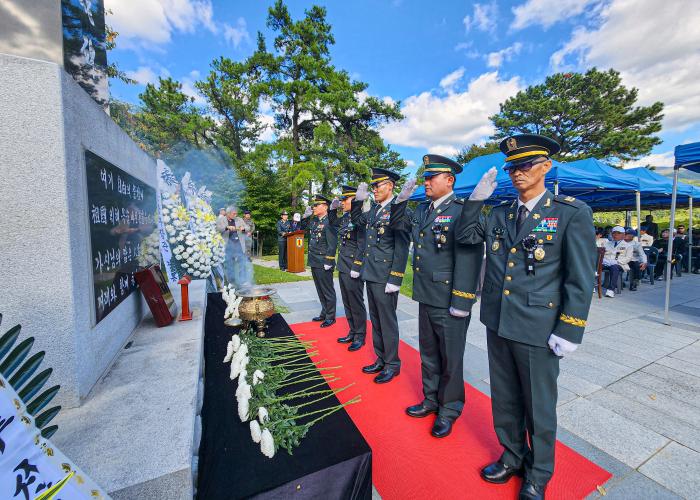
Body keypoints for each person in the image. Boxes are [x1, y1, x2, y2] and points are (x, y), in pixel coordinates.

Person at [456, 134, 596, 500]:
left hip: (538, 325)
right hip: (499, 320)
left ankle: (539, 472)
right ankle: (513, 455)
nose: (517, 172)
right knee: (504, 398)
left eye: (525, 165)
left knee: (538, 405)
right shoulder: (500, 212)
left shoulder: (569, 212)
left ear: (546, 167)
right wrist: (475, 202)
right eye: (511, 167)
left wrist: (570, 328)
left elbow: (580, 278)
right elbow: (466, 235)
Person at [390, 155, 482, 439]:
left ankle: (450, 409)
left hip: (450, 297)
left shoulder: (461, 210)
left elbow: (470, 256)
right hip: (427, 293)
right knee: (429, 353)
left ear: (450, 180)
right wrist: (400, 201)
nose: (426, 182)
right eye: (426, 177)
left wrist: (463, 300)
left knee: (451, 359)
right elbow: (398, 226)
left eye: (432, 177)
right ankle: (431, 399)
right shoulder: (422, 210)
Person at [352, 168, 410, 384]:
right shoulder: (375, 210)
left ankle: (392, 363)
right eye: (373, 186)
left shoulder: (398, 210)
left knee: (387, 321)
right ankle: (381, 358)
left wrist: (395, 278)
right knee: (375, 319)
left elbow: (401, 248)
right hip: (371, 272)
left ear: (391, 186)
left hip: (385, 276)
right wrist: (358, 201)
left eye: (378, 185)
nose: (374, 189)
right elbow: (357, 221)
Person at [329, 186, 367, 352]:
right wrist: (332, 210)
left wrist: (357, 265)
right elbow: (332, 222)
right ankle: (352, 331)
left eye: (346, 200)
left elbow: (362, 244)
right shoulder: (345, 218)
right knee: (347, 301)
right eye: (342, 200)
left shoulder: (361, 218)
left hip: (353, 266)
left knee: (356, 302)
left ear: (355, 199)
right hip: (343, 265)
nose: (343, 203)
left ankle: (360, 335)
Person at [299, 195, 338, 327]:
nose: (314, 207)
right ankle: (324, 312)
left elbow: (332, 244)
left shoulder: (330, 221)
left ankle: (330, 316)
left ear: (325, 207)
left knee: (327, 289)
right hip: (314, 259)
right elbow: (302, 229)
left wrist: (329, 260)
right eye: (314, 205)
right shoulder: (315, 221)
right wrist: (305, 217)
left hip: (324, 261)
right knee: (320, 289)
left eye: (317, 205)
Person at [220, 206, 248, 287]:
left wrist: (243, 228)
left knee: (242, 262)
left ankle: (243, 281)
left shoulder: (239, 219)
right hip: (228, 245)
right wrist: (226, 227)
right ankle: (231, 282)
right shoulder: (222, 219)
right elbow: (217, 228)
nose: (235, 215)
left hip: (239, 244)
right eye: (234, 214)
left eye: (236, 213)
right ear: (228, 213)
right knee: (229, 263)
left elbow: (247, 227)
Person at [602, 226, 633, 297]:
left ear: (623, 235)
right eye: (613, 233)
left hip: (620, 264)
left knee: (614, 267)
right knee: (594, 266)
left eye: (618, 233)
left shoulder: (628, 246)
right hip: (606, 263)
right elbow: (602, 254)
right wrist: (604, 260)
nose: (615, 235)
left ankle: (611, 290)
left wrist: (616, 261)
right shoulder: (607, 243)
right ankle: (591, 286)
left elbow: (628, 258)